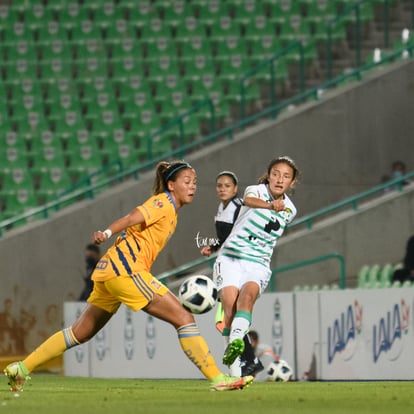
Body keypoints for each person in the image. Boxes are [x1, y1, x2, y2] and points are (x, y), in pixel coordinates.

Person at [4, 160, 254, 393]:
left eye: (195, 182)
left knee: (80, 332)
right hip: (126, 270)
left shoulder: (171, 211)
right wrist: (107, 231)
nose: (192, 186)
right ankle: (218, 379)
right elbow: (131, 217)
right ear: (171, 185)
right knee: (184, 318)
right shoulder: (162, 203)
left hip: (110, 272)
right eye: (187, 181)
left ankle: (21, 368)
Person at [213, 156, 299, 368]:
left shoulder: (291, 210)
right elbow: (248, 201)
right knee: (230, 311)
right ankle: (237, 373)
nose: (280, 179)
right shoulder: (256, 191)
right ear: (268, 176)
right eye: (276, 174)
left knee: (247, 298)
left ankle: (237, 347)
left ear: (292, 182)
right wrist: (271, 206)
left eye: (286, 176)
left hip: (258, 262)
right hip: (231, 257)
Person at [200, 171, 263, 377]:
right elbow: (227, 238)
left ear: (235, 189)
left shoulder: (238, 208)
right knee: (228, 317)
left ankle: (245, 364)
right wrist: (213, 246)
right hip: (228, 263)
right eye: (219, 185)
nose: (222, 189)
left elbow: (243, 234)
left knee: (227, 317)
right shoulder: (222, 209)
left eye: (227, 185)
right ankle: (245, 365)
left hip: (238, 265)